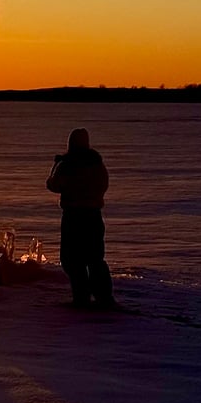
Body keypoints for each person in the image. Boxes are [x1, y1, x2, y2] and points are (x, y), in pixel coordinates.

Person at [46, 128, 116, 309]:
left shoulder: (67, 164)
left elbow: (54, 185)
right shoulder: (97, 163)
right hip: (93, 215)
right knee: (95, 258)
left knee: (71, 259)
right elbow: (104, 185)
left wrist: (55, 167)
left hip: (74, 216)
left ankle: (82, 296)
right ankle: (103, 296)